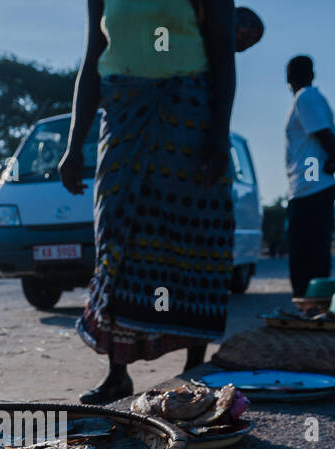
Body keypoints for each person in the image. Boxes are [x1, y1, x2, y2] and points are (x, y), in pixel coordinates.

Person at [60, 0, 236, 404]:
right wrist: (74, 144)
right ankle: (117, 372)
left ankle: (195, 368)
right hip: (122, 113)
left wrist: (219, 134)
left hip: (189, 114)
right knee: (117, 233)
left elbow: (223, 51)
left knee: (191, 235)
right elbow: (92, 57)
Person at [284, 54, 335, 297]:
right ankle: (314, 304)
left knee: (304, 253)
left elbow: (328, 139)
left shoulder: (305, 97)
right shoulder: (317, 99)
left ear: (289, 78)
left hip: (309, 187)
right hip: (317, 185)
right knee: (315, 250)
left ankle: (309, 305)